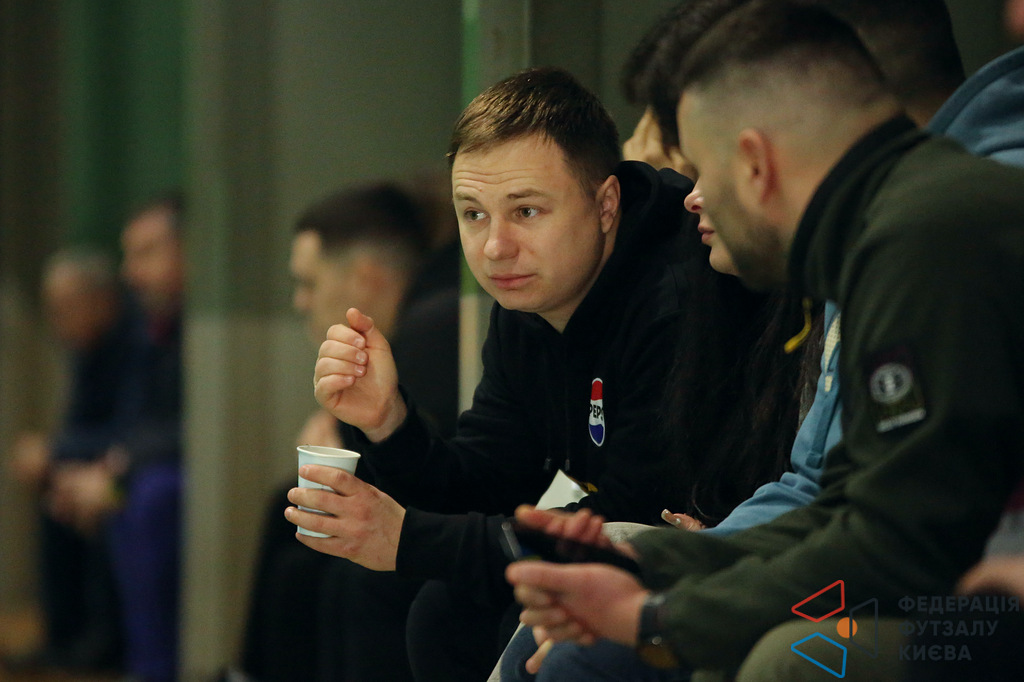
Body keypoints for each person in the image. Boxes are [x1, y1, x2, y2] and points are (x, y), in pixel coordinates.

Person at [505, 3, 1024, 681]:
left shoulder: (923, 237)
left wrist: (660, 621)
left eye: (703, 169)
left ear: (754, 163)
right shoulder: (898, 220)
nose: (693, 197)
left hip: (990, 603)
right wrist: (645, 563)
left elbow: (901, 548)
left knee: (789, 662)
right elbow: (841, 509)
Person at [287, 66, 701, 681]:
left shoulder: (676, 296)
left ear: (606, 205)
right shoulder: (530, 298)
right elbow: (488, 479)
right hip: (608, 542)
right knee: (444, 611)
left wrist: (406, 537)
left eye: (526, 211)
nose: (494, 248)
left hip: (695, 559)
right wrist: (389, 423)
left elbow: (624, 520)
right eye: (473, 214)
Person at [237, 181, 459, 682]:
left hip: (456, 527)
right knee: (286, 511)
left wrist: (352, 438)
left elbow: (443, 472)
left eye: (309, 283)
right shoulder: (423, 317)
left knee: (328, 577)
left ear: (366, 277)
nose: (300, 302)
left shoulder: (434, 324)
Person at [50, 192, 185, 682]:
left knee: (145, 495)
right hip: (145, 464)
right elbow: (140, 422)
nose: (130, 273)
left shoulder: (194, 327)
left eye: (146, 253)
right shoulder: (154, 326)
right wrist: (112, 467)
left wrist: (117, 472)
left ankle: (153, 667)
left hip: (184, 477)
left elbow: (193, 431)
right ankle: (89, 645)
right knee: (84, 486)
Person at [2, 249, 136, 676]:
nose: (54, 321)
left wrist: (57, 453)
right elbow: (80, 424)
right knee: (56, 492)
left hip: (132, 470)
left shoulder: (135, 341)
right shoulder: (86, 349)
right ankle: (61, 639)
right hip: (99, 464)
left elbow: (132, 431)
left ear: (99, 300)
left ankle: (105, 646)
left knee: (96, 496)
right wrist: (57, 456)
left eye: (63, 309)